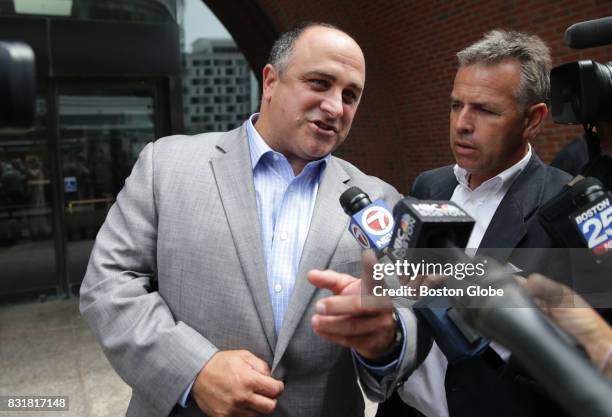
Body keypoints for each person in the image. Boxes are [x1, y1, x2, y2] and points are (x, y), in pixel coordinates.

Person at [80, 22, 416, 417]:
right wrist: (195, 370)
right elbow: (109, 282)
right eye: (319, 82)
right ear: (271, 82)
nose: (334, 106)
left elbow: (406, 311)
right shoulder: (166, 165)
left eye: (350, 95)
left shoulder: (378, 200)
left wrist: (387, 340)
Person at [374, 30, 573, 417]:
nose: (462, 123)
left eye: (484, 110)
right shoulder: (429, 185)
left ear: (533, 120)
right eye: (455, 105)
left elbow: (572, 349)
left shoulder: (564, 207)